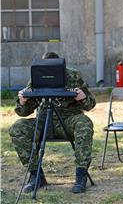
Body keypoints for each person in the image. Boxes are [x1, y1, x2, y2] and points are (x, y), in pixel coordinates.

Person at [9, 52, 96, 194]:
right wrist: (22, 101)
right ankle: (36, 176)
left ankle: (81, 175)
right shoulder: (38, 77)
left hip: (69, 119)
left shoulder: (73, 76)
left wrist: (83, 97)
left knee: (84, 124)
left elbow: (90, 105)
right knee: (18, 128)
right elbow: (23, 112)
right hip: (44, 121)